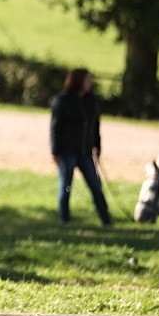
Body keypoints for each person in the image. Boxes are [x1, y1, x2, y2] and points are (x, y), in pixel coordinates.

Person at [50, 68, 113, 226]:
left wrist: (97, 145)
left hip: (85, 152)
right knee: (66, 186)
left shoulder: (91, 101)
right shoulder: (63, 101)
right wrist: (55, 151)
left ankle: (106, 218)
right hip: (67, 152)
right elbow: (55, 128)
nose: (89, 83)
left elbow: (95, 125)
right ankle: (65, 219)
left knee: (95, 186)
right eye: (87, 80)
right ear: (78, 81)